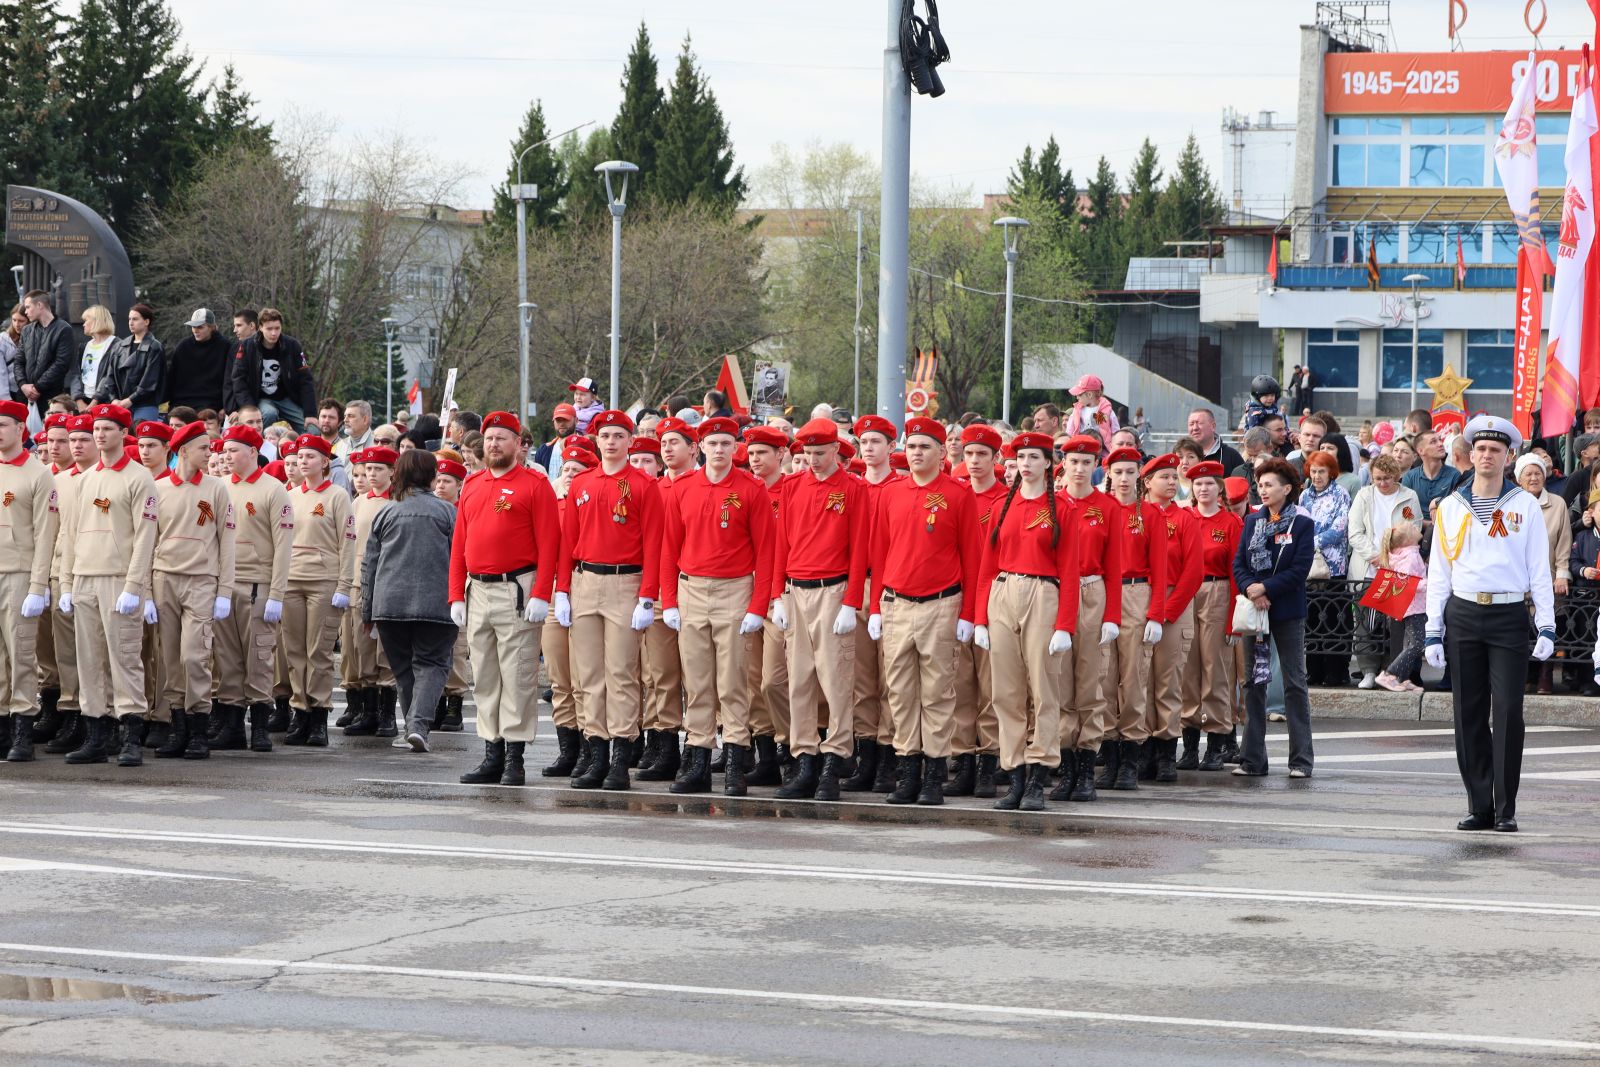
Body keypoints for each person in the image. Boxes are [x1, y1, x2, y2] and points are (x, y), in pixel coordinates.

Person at [1427, 416, 1555, 832]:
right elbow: (1439, 572)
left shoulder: (1524, 505)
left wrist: (1546, 623)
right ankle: (1479, 804)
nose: (1486, 456)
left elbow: (1539, 568)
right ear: (1470, 453)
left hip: (1508, 615)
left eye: (1495, 450)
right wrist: (1433, 629)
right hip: (1464, 612)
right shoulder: (1451, 506)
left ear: (1508, 456)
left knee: (1509, 710)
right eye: (1480, 448)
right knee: (1468, 712)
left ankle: (1505, 808)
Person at [867, 417, 982, 806]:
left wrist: (969, 614)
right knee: (900, 692)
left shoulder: (958, 494)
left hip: (942, 603)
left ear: (941, 451)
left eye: (924, 447)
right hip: (897, 603)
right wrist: (875, 608)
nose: (916, 453)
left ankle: (934, 773)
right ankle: (907, 770)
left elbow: (973, 558)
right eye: (912, 446)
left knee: (936, 693)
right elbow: (879, 553)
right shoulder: (891, 493)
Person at [659, 417, 773, 795]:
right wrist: (669, 600)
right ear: (701, 447)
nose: (720, 450)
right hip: (691, 589)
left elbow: (766, 551)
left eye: (726, 443)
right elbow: (669, 547)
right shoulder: (683, 488)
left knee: (733, 681)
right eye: (713, 443)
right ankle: (698, 761)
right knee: (696, 681)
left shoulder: (751, 489)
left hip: (735, 590)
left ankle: (736, 760)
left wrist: (758, 606)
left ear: (735, 447)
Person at [448, 411, 559, 784]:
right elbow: (460, 543)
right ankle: (491, 753)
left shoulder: (535, 485)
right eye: (490, 438)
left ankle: (514, 758)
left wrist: (542, 593)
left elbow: (550, 543)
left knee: (517, 675)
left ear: (517, 444)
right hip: (477, 589)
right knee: (484, 676)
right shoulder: (473, 483)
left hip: (517, 589)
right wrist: (456, 594)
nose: (494, 444)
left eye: (501, 438)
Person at [555, 409, 663, 791]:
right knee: (588, 675)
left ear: (630, 441)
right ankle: (596, 752)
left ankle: (620, 756)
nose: (612, 442)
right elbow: (567, 540)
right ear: (597, 441)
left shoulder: (644, 485)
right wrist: (562, 590)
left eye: (619, 436)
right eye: (605, 436)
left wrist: (647, 596)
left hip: (625, 581)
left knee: (621, 673)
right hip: (585, 580)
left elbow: (654, 544)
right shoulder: (583, 483)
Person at [973, 431, 1078, 810]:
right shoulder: (1004, 504)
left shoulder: (1062, 508)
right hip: (1003, 591)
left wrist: (1065, 624)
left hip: (1043, 594)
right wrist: (980, 618)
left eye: (1034, 457)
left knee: (1044, 689)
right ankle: (1014, 773)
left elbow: (1069, 570)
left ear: (1048, 463)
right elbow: (987, 565)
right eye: (1021, 458)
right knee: (1005, 692)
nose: (1027, 464)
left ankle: (1038, 774)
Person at [769, 417, 869, 799]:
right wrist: (777, 595)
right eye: (808, 453)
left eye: (820, 453)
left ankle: (834, 759)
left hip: (833, 590)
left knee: (836, 681)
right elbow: (781, 544)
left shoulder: (853, 489)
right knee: (799, 681)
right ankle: (804, 758)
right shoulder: (793, 486)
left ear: (836, 450)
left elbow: (860, 549)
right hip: (797, 591)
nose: (813, 460)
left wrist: (851, 602)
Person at [59, 403, 159, 767]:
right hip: (85, 576)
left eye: (107, 429)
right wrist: (67, 582)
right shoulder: (84, 479)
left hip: (119, 579)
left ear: (123, 433)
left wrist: (135, 585)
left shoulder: (139, 478)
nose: (100, 435)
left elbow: (146, 536)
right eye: (96, 429)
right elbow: (70, 534)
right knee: (89, 660)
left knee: (125, 658)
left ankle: (130, 735)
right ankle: (96, 736)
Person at [150, 421, 238, 757]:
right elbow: (147, 542)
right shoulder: (158, 488)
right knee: (170, 658)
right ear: (183, 451)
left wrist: (224, 591)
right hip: (164, 579)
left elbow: (227, 541)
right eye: (203, 447)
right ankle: (178, 727)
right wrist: (145, 591)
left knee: (195, 655)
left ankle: (199, 724)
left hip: (201, 581)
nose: (210, 452)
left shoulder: (216, 488)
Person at [365, 449, 457, 752]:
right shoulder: (447, 512)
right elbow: (460, 558)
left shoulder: (386, 512)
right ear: (432, 475)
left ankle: (412, 728)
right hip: (437, 602)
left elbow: (370, 565)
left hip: (389, 603)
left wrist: (367, 612)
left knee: (403, 668)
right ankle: (418, 727)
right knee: (433, 664)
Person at [1232, 458, 1316, 778]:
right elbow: (1239, 564)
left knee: (1295, 683)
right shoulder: (1253, 521)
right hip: (1256, 612)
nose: (1263, 490)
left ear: (1287, 488)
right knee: (1253, 683)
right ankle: (1252, 759)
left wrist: (1266, 587)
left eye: (1269, 485)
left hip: (1286, 611)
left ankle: (1301, 761)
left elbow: (1300, 569)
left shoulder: (1301, 524)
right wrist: (1252, 589)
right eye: (1260, 485)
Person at [280, 434, 355, 746]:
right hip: (291, 581)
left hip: (323, 581)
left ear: (325, 462)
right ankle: (300, 710)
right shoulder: (289, 496)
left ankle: (319, 715)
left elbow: (347, 542)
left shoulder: (337, 496)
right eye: (300, 456)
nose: (303, 461)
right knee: (294, 650)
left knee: (318, 651)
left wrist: (344, 585)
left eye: (310, 456)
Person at [946, 422, 1007, 797]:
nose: (973, 461)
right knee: (959, 685)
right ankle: (962, 759)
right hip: (957, 597)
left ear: (996, 457)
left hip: (994, 598)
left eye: (982, 454)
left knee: (991, 686)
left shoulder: (1006, 499)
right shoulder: (956, 495)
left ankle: (988, 761)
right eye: (968, 453)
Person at [0, 399, 58, 762]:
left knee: (21, 653)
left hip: (20, 574)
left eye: (3, 425)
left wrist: (39, 586)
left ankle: (22, 724)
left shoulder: (38, 474)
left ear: (21, 428)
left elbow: (45, 533)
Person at [1177, 461, 1242, 771]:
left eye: (1209, 483)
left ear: (1220, 489)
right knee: (1187, 671)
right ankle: (1189, 745)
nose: (1203, 489)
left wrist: (1232, 621)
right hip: (1186, 592)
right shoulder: (1184, 518)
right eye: (1198, 484)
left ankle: (1216, 743)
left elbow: (1235, 571)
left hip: (1217, 591)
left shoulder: (1230, 522)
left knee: (1215, 670)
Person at [1142, 453, 1202, 781]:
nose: (1170, 482)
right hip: (1140, 600)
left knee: (1168, 680)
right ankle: (1143, 747)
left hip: (1172, 602)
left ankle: (1166, 749)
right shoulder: (1137, 516)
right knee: (1139, 680)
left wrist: (1166, 611)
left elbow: (1193, 572)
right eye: (1162, 477)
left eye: (1172, 476)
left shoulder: (1184, 519)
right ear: (1147, 482)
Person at [1348, 455, 1422, 689]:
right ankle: (1368, 670)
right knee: (1365, 623)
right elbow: (1355, 532)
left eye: (1387, 478)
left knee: (1396, 624)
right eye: (1377, 478)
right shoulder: (1364, 495)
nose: (1382, 483)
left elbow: (1413, 528)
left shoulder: (1409, 496)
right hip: (1368, 568)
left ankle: (1392, 671)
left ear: (1397, 476)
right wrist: (1376, 556)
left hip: (1398, 569)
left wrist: (1393, 557)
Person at [341, 447, 399, 737]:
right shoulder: (358, 502)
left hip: (388, 583)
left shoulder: (398, 502)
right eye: (368, 469)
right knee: (361, 648)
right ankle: (369, 711)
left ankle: (388, 714)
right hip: (359, 582)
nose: (371, 474)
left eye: (378, 469)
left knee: (386, 648)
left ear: (392, 472)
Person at [1517, 453, 1572, 695]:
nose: (1533, 478)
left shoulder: (1557, 504)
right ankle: (1525, 673)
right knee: (1521, 627)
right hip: (1519, 577)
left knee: (1548, 624)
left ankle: (1545, 674)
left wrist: (1562, 573)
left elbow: (1563, 542)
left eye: (1538, 473)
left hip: (1548, 574)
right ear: (1519, 479)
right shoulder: (1513, 503)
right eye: (1528, 474)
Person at [1300, 451, 1352, 687]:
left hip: (1334, 566)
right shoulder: (1304, 495)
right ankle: (1314, 670)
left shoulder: (1341, 494)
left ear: (1331, 473)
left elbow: (1339, 529)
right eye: (1313, 471)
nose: (1317, 476)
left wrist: (1310, 542)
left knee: (1334, 619)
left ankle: (1336, 671)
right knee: (1312, 618)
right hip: (1310, 566)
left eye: (1322, 471)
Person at [229, 309, 316, 431]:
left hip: (287, 398)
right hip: (260, 399)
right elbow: (238, 379)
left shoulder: (292, 345)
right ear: (260, 327)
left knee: (313, 429)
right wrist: (248, 409)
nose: (274, 333)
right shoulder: (248, 346)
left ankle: (299, 443)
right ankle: (262, 442)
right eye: (269, 329)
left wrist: (310, 413)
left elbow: (305, 379)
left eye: (277, 328)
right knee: (269, 414)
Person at [1373, 524, 1428, 693]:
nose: (1416, 526)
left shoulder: (1405, 554)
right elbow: (1407, 582)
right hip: (1415, 607)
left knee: (1409, 644)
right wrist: (1430, 584)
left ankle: (1402, 678)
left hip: (1411, 606)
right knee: (1417, 644)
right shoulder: (1410, 556)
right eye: (1412, 528)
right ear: (1407, 540)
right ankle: (1389, 674)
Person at [94, 304, 164, 423]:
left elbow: (149, 381)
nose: (131, 323)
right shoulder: (119, 346)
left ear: (146, 322)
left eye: (135, 319)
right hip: (120, 403)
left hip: (145, 404)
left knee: (141, 433)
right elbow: (109, 377)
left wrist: (130, 400)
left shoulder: (154, 347)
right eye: (129, 319)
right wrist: (113, 399)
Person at [18, 290, 79, 416]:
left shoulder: (63, 329)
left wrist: (37, 388)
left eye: (28, 307)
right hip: (25, 396)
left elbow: (61, 363)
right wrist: (23, 384)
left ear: (39, 305)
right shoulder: (26, 330)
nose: (25, 312)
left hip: (52, 398)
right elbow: (19, 361)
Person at [165, 309, 232, 412]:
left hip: (212, 404)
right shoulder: (183, 346)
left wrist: (226, 407)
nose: (195, 330)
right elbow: (172, 379)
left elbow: (229, 381)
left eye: (200, 327)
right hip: (181, 403)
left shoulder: (225, 347)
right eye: (193, 326)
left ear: (212, 327)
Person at [77, 305, 117, 408]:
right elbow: (76, 374)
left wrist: (95, 401)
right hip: (84, 401)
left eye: (86, 320)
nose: (83, 324)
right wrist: (79, 400)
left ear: (96, 321)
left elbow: (109, 376)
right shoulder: (84, 347)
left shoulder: (116, 345)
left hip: (105, 402)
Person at [1186, 408, 1244, 476]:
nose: (1195, 428)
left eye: (1200, 423)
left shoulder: (1232, 456)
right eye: (1191, 424)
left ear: (1213, 426)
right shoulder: (1181, 457)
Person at [1063, 375, 1119, 446]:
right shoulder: (1077, 410)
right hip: (1081, 447)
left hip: (1102, 449)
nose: (1077, 397)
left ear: (1089, 395)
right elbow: (1070, 431)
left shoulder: (1105, 411)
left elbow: (1115, 432)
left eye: (1079, 394)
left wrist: (1113, 447)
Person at [532, 403, 578, 478]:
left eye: (566, 420)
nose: (562, 424)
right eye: (558, 420)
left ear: (576, 420)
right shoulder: (543, 450)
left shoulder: (585, 447)